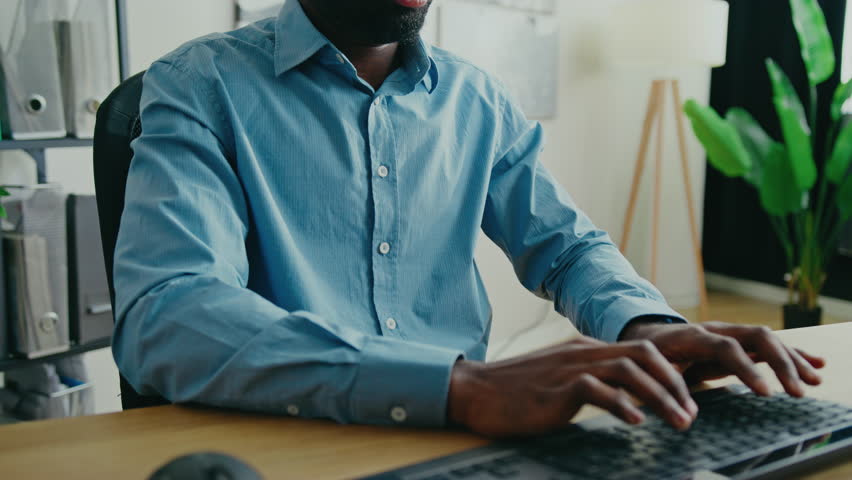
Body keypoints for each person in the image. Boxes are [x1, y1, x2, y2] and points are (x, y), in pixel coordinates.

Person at [112, 0, 825, 437]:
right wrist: (458, 385)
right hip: (287, 440)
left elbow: (568, 247)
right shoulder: (200, 85)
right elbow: (167, 315)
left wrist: (653, 329)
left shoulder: (476, 99)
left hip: (461, 442)